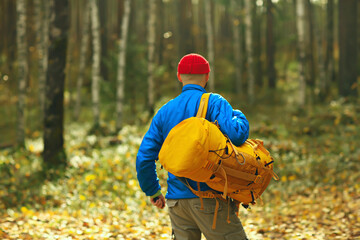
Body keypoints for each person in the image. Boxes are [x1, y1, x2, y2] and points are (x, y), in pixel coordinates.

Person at [136, 53, 249, 240]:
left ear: (179, 77)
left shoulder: (164, 111)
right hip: (210, 199)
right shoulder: (214, 102)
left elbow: (144, 157)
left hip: (177, 203)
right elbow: (237, 135)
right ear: (207, 76)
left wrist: (153, 191)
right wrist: (239, 116)